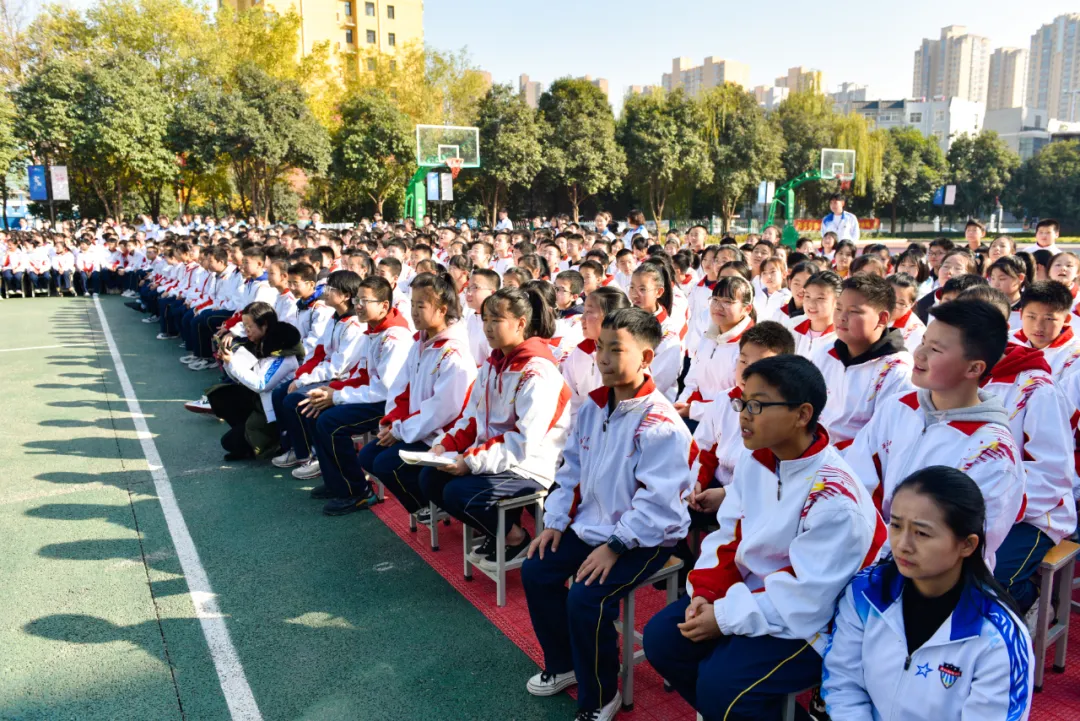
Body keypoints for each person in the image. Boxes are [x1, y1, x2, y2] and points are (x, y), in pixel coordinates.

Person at [644, 355, 885, 721]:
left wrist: (722, 617)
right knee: (662, 640)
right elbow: (730, 535)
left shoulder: (836, 498)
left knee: (722, 686)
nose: (743, 414)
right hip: (760, 596)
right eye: (743, 402)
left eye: (757, 405)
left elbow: (808, 597)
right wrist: (708, 596)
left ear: (803, 414)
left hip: (820, 622)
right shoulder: (758, 459)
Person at [522, 308, 693, 721]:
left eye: (616, 350)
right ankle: (564, 664)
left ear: (646, 358)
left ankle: (601, 694)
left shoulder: (662, 424)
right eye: (600, 347)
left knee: (586, 597)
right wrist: (557, 522)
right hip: (593, 526)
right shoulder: (595, 407)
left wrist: (615, 546)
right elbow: (571, 470)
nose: (602, 358)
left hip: (647, 537)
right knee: (537, 568)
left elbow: (658, 503)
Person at [821, 466, 1033, 720]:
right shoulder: (865, 594)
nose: (903, 545)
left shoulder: (996, 638)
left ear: (967, 544)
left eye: (921, 533)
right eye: (897, 526)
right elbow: (843, 686)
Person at [843, 300, 1024, 568]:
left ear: (974, 368)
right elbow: (857, 480)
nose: (919, 354)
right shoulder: (898, 407)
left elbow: (968, 541)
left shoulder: (992, 451)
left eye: (936, 349)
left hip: (937, 582)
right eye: (924, 341)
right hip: (868, 555)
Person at [423, 285, 571, 569]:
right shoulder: (494, 364)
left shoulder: (538, 372)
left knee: (458, 493)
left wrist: (469, 461)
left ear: (521, 324)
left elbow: (523, 441)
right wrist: (446, 445)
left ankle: (516, 537)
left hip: (530, 465)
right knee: (430, 479)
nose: (488, 327)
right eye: (485, 319)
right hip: (496, 456)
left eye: (497, 320)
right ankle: (498, 531)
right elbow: (471, 417)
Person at [955, 286, 1078, 615]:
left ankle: (1036, 598)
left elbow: (1053, 474)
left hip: (1034, 513)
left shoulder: (1035, 386)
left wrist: (993, 507)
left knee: (991, 582)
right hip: (961, 505)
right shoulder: (951, 379)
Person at [358, 273, 477, 520]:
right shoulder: (421, 342)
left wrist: (400, 430)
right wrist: (392, 422)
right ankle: (424, 503)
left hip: (441, 434)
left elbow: (443, 409)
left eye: (421, 306)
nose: (413, 312)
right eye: (412, 304)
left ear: (442, 310)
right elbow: (402, 387)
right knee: (368, 455)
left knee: (385, 464)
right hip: (415, 427)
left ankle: (430, 503)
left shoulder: (453, 352)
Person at [300, 276, 414, 515]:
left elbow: (385, 389)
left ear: (384, 305)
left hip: (390, 405)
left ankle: (358, 492)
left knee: (330, 423)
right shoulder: (373, 329)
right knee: (315, 409)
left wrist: (338, 397)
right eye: (357, 299)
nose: (358, 305)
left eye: (365, 300)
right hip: (373, 396)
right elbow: (362, 374)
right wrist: (333, 390)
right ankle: (336, 483)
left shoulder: (395, 337)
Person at [687, 321, 795, 521]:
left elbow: (775, 479)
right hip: (716, 482)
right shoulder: (724, 400)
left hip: (754, 498)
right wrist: (696, 482)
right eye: (743, 361)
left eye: (760, 366)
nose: (747, 372)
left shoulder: (783, 416)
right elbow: (704, 448)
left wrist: (729, 495)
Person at [270, 271, 367, 474]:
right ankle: (296, 448)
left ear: (346, 295)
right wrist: (302, 375)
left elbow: (338, 367)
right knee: (280, 392)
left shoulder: (354, 325)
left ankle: (310, 454)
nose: (325, 292)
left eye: (331, 289)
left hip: (344, 379)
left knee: (294, 400)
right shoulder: (335, 318)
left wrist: (305, 379)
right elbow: (320, 351)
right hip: (327, 373)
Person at [810, 275, 914, 446]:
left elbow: (882, 439)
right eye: (838, 308)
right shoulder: (825, 353)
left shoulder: (896, 370)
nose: (841, 317)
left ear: (882, 319)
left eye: (854, 311)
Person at [207, 301, 305, 461]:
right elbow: (244, 376)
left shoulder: (284, 353)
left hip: (272, 409)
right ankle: (251, 434)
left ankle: (275, 442)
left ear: (264, 325)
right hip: (262, 402)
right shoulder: (262, 344)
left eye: (249, 326)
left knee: (232, 443)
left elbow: (261, 384)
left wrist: (233, 363)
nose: (246, 331)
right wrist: (228, 362)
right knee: (222, 395)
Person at [676, 276, 755, 423]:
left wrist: (694, 410)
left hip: (726, 423)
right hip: (695, 413)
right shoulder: (708, 337)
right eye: (715, 300)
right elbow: (693, 380)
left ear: (746, 309)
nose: (718, 307)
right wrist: (681, 406)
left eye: (727, 302)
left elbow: (740, 401)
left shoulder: (750, 347)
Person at [561, 286, 631, 416]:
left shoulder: (629, 358)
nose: (582, 319)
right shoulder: (579, 353)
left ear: (609, 317)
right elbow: (570, 403)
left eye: (589, 312)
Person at [627, 261, 683, 401]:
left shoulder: (668, 332)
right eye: (632, 287)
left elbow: (658, 381)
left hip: (653, 403)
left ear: (659, 292)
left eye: (643, 289)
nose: (635, 294)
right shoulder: (625, 319)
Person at [788, 270, 840, 359]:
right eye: (807, 296)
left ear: (837, 301)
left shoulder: (840, 339)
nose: (811, 304)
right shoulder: (792, 326)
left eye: (820, 298)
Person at [986, 255, 1031, 333]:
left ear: (1020, 278)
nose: (995, 284)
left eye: (1002, 279)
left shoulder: (1029, 307)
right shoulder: (986, 305)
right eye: (992, 278)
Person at [463, 268, 499, 366]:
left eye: (475, 288)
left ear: (492, 293)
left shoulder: (498, 324)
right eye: (468, 288)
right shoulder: (471, 318)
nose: (469, 293)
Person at [888, 273, 927, 353]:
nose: (891, 305)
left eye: (901, 303)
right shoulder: (870, 312)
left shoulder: (916, 333)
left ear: (912, 304)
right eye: (888, 297)